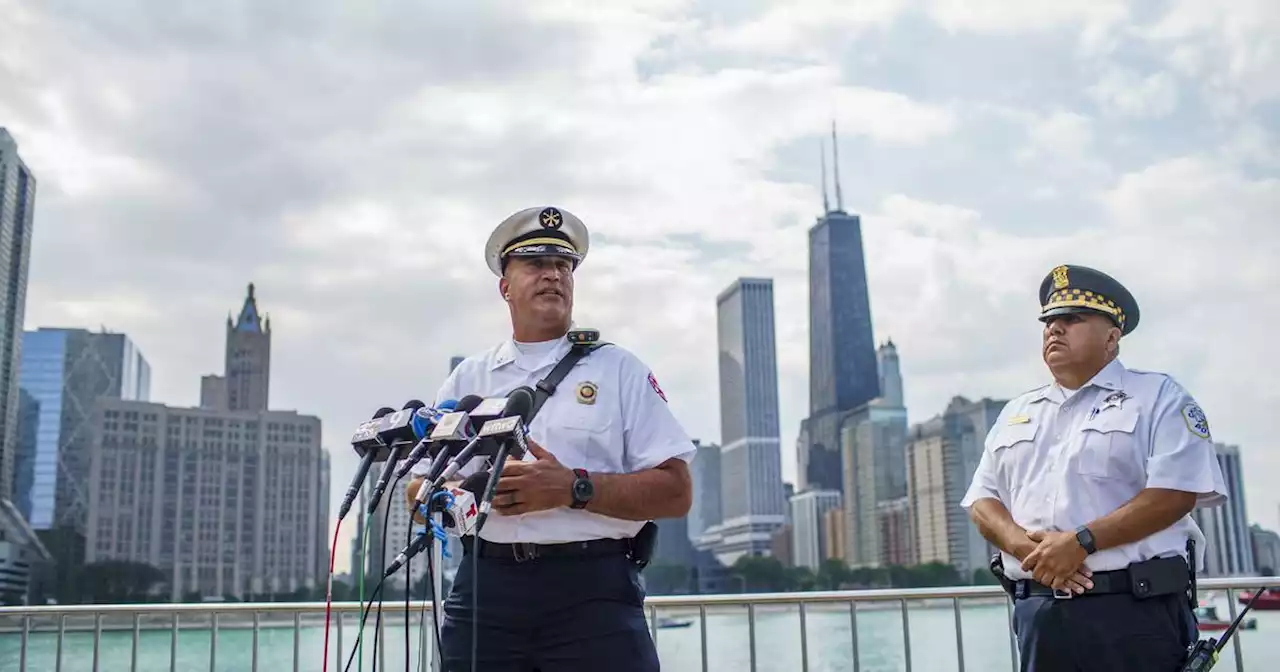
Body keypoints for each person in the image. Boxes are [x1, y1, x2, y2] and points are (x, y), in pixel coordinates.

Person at [406, 205, 695, 671]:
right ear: (505, 287)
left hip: (593, 595)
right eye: (537, 264)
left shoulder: (618, 370)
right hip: (486, 592)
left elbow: (678, 491)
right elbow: (417, 490)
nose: (553, 275)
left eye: (563, 265)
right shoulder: (468, 380)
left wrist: (572, 487)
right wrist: (452, 497)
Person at [961, 264, 1228, 672]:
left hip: (1134, 612)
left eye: (1072, 319)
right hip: (1039, 614)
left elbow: (1175, 494)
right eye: (1049, 321)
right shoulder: (1017, 412)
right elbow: (982, 500)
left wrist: (1079, 543)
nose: (1055, 329)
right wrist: (1028, 551)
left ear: (1111, 337)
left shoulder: (1158, 397)